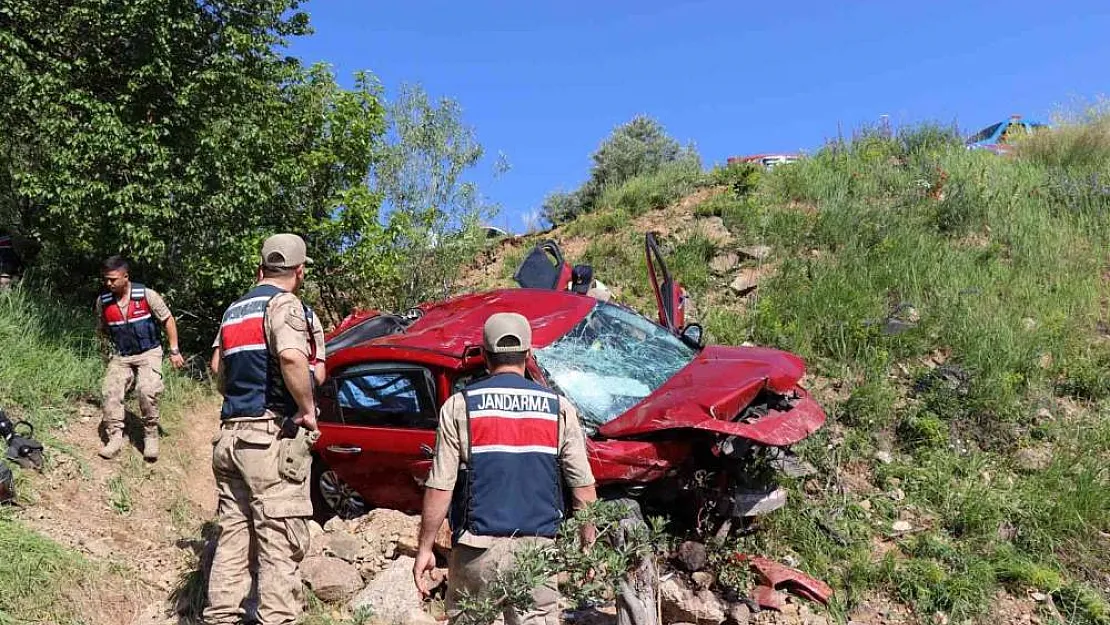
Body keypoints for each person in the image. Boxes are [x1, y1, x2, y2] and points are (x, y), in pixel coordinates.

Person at [413, 312, 598, 625]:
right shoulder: (559, 409)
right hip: (537, 551)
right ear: (528, 354)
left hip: (477, 550)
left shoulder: (460, 406)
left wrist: (425, 548)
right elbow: (583, 488)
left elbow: (440, 487)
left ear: (484, 356)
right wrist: (588, 547)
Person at [203, 233, 320, 625]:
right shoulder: (284, 305)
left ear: (261, 269)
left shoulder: (235, 311)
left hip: (228, 437)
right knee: (278, 540)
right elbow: (290, 358)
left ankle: (220, 617)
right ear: (299, 272)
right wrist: (306, 409)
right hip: (265, 438)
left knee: (234, 537)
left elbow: (218, 368)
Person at [96, 256, 185, 461]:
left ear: (125, 277)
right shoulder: (104, 302)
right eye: (106, 280)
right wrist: (106, 356)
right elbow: (101, 331)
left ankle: (151, 434)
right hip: (122, 355)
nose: (109, 283)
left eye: (113, 279)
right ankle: (115, 438)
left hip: (149, 352)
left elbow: (168, 319)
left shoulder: (146, 295)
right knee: (110, 390)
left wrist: (174, 350)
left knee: (146, 390)